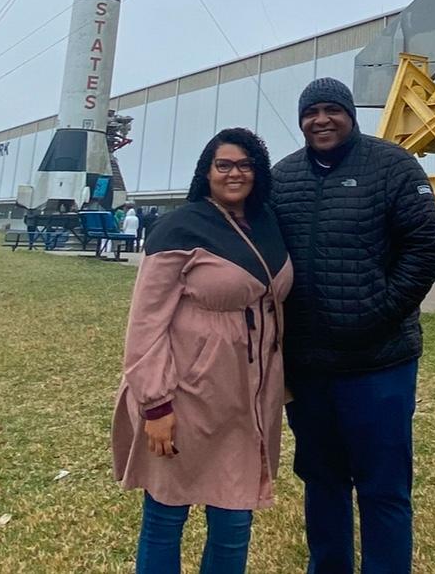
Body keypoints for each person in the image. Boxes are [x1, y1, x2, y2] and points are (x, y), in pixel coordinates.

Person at [271, 78, 435, 574]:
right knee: (322, 481)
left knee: (383, 486)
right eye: (311, 112)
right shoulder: (282, 178)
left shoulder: (392, 166)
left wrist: (380, 310)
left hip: (379, 364)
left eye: (332, 110)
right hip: (310, 368)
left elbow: (426, 247)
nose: (321, 120)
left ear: (350, 115)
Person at [112, 128, 292, 574]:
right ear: (206, 172)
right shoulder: (180, 226)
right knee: (167, 513)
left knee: (234, 520)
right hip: (187, 393)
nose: (235, 173)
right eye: (224, 165)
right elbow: (146, 322)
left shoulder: (269, 223)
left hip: (249, 395)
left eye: (245, 165)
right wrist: (156, 404)